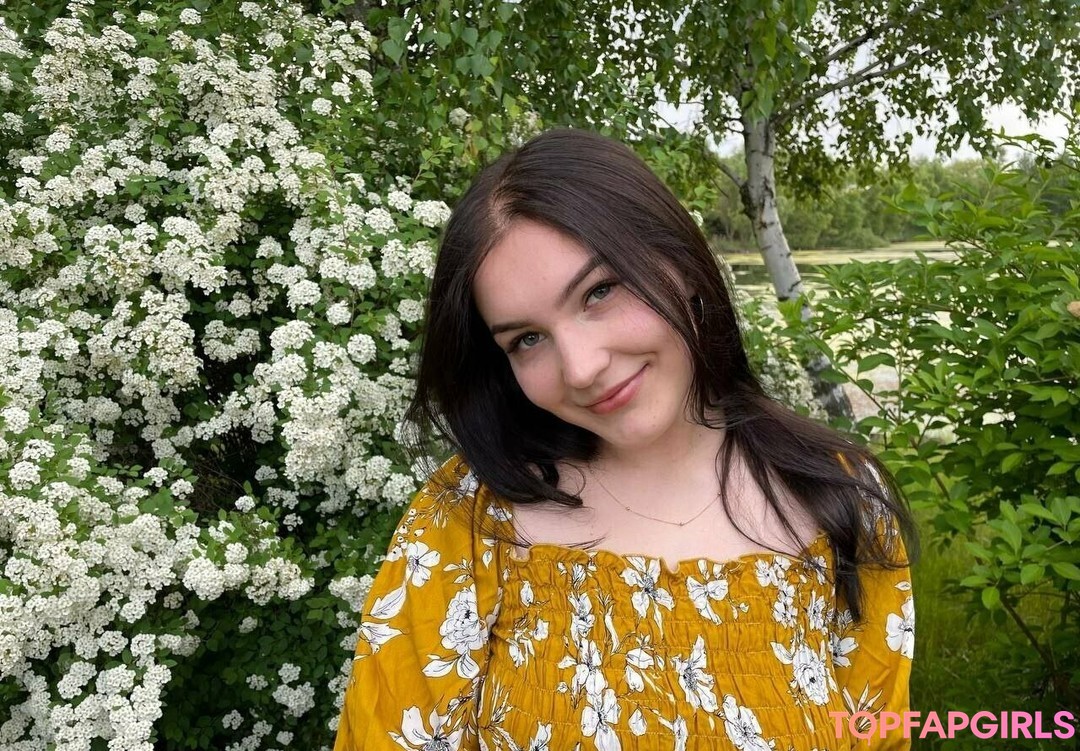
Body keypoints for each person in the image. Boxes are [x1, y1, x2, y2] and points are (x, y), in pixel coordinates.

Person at [333, 129, 916, 750]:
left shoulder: (840, 500)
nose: (581, 368)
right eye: (526, 339)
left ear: (681, 265)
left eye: (600, 292)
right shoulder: (466, 522)